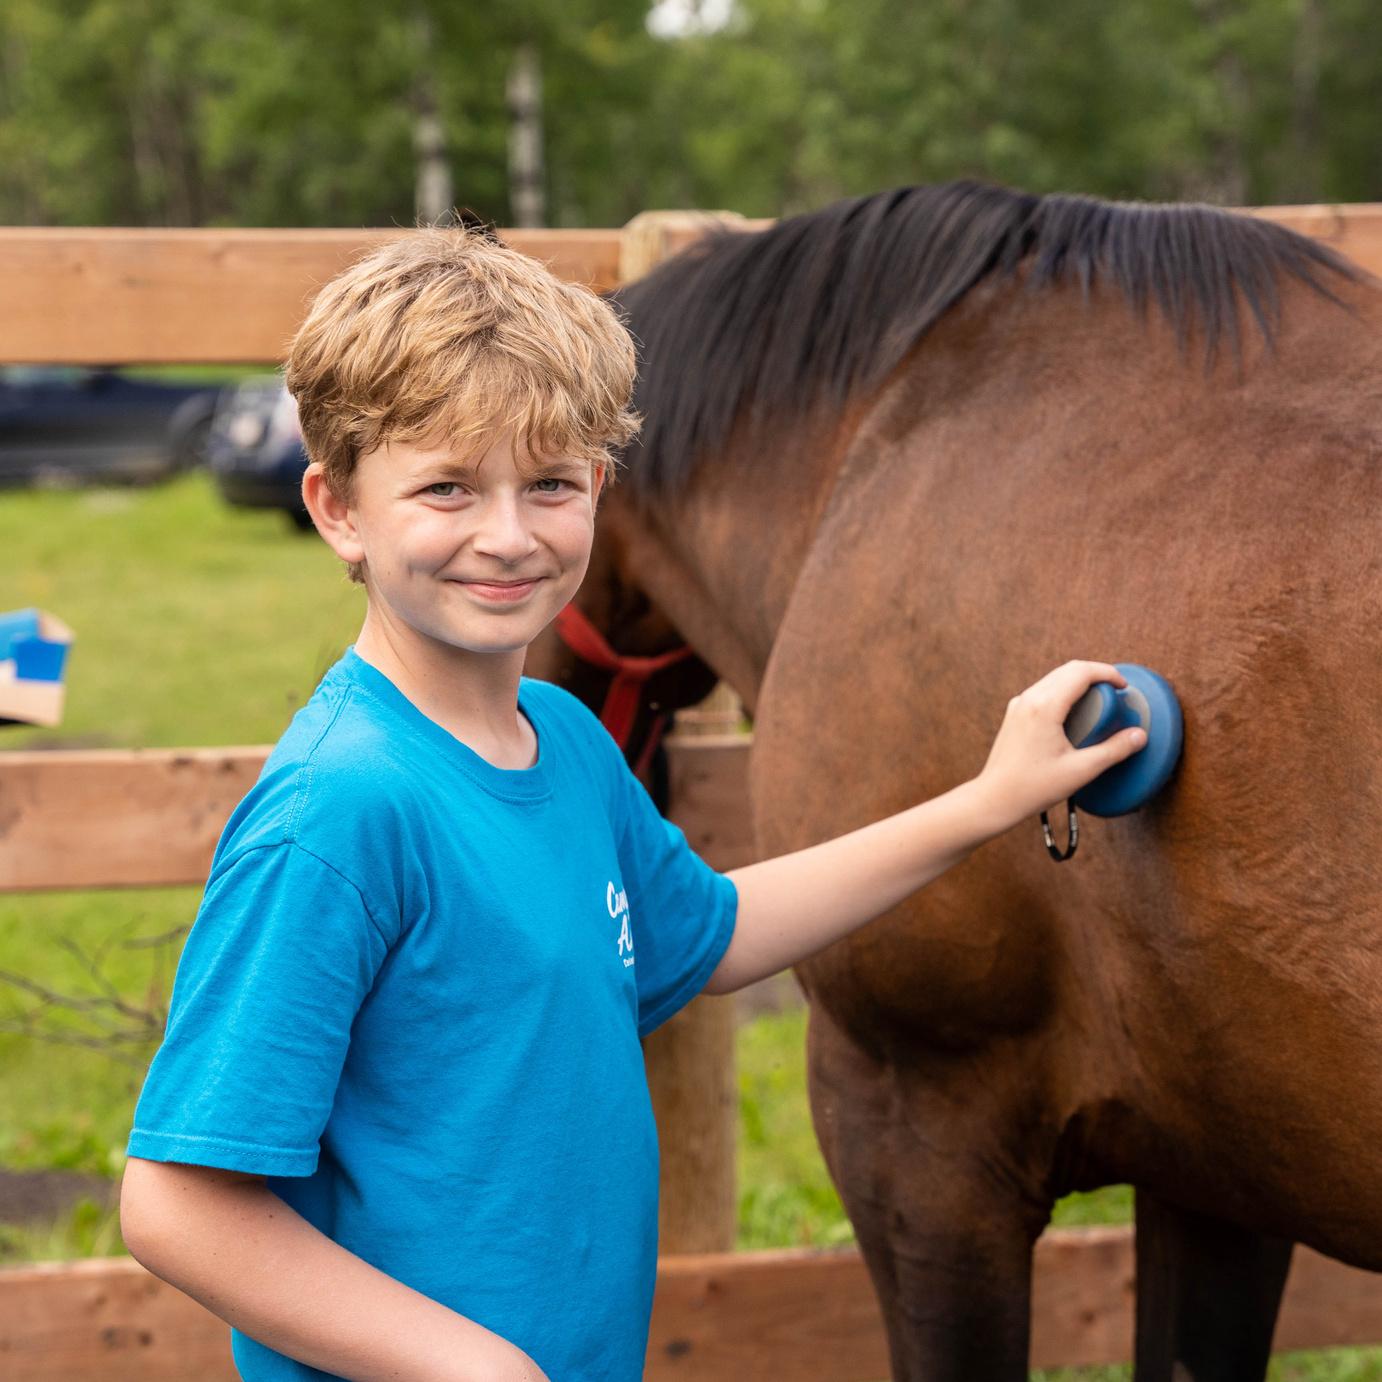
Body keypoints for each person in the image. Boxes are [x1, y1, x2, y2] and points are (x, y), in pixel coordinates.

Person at [118, 226, 1145, 1382]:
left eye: (549, 484)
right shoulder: (340, 813)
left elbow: (713, 931)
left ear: (599, 489)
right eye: (447, 486)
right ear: (339, 507)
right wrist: (479, 1367)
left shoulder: (561, 738)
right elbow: (179, 1205)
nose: (508, 535)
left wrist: (986, 800)